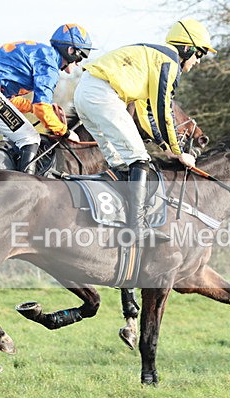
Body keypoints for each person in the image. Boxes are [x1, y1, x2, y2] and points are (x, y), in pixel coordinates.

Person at [73, 18, 216, 240]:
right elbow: (163, 111)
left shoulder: (154, 58)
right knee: (139, 159)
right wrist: (179, 151)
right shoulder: (169, 62)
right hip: (102, 95)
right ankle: (136, 227)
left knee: (119, 162)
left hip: (85, 93)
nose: (198, 61)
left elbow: (146, 113)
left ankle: (114, 218)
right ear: (187, 48)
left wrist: (164, 146)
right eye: (199, 54)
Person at [0, 24, 94, 174]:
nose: (80, 62)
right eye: (82, 56)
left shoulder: (44, 54)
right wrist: (65, 132)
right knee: (29, 137)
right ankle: (26, 186)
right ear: (71, 51)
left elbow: (11, 101)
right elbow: (42, 108)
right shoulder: (50, 65)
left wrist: (32, 107)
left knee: (15, 136)